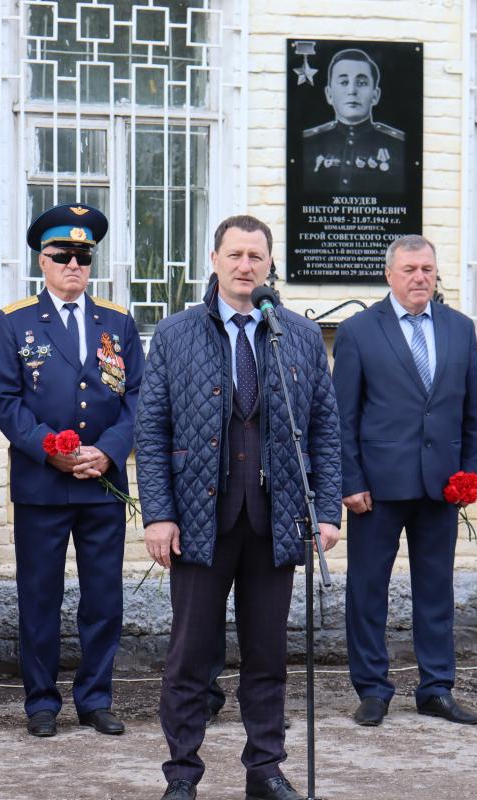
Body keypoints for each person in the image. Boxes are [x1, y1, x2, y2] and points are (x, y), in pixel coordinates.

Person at [136, 215, 342, 800]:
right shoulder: (176, 334)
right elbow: (151, 430)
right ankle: (182, 772)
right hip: (201, 520)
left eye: (256, 255)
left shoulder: (295, 335)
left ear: (270, 263)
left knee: (268, 654)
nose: (245, 265)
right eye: (235, 255)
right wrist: (158, 514)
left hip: (276, 520)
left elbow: (324, 428)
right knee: (190, 655)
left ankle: (266, 768)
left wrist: (325, 510)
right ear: (214, 259)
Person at [0, 203, 143, 738]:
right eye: (62, 256)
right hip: (43, 483)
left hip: (102, 482)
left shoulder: (118, 322)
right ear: (42, 260)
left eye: (83, 256)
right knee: (40, 597)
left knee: (103, 597)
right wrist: (46, 449)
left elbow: (137, 398)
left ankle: (96, 698)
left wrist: (111, 451)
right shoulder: (15, 321)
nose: (74, 265)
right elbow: (6, 401)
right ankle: (41, 702)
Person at [333, 234, 477, 727]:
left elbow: (474, 414)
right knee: (367, 590)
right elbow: (343, 416)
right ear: (389, 275)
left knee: (436, 590)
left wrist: (470, 473)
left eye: (427, 269)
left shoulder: (459, 329)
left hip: (441, 487)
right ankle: (373, 689)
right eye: (410, 270)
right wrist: (349, 481)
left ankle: (436, 687)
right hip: (376, 491)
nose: (420, 277)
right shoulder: (359, 331)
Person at [302, 47, 405, 194]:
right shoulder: (308, 143)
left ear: (375, 95)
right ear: (329, 94)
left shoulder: (399, 145)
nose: (352, 90)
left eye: (362, 83)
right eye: (344, 82)